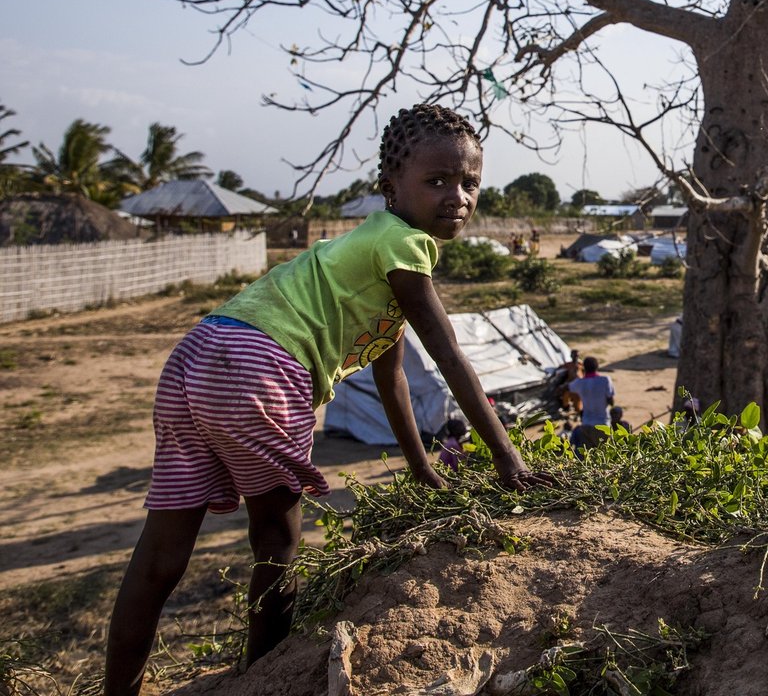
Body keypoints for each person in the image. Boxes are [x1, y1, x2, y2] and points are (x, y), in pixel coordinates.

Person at [104, 104, 548, 696]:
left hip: (200, 353)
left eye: (470, 183)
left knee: (161, 555)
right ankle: (262, 676)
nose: (458, 197)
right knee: (277, 539)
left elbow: (390, 377)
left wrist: (422, 470)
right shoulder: (404, 245)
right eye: (437, 181)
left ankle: (118, 690)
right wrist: (506, 457)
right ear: (390, 187)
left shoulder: (365, 251)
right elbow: (449, 356)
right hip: (264, 365)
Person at [566, 356, 616, 450]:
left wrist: (575, 371)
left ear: (584, 368)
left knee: (587, 458)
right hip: (603, 424)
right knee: (605, 456)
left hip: (586, 424)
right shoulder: (605, 380)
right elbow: (611, 401)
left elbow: (567, 387)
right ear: (597, 367)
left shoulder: (579, 383)